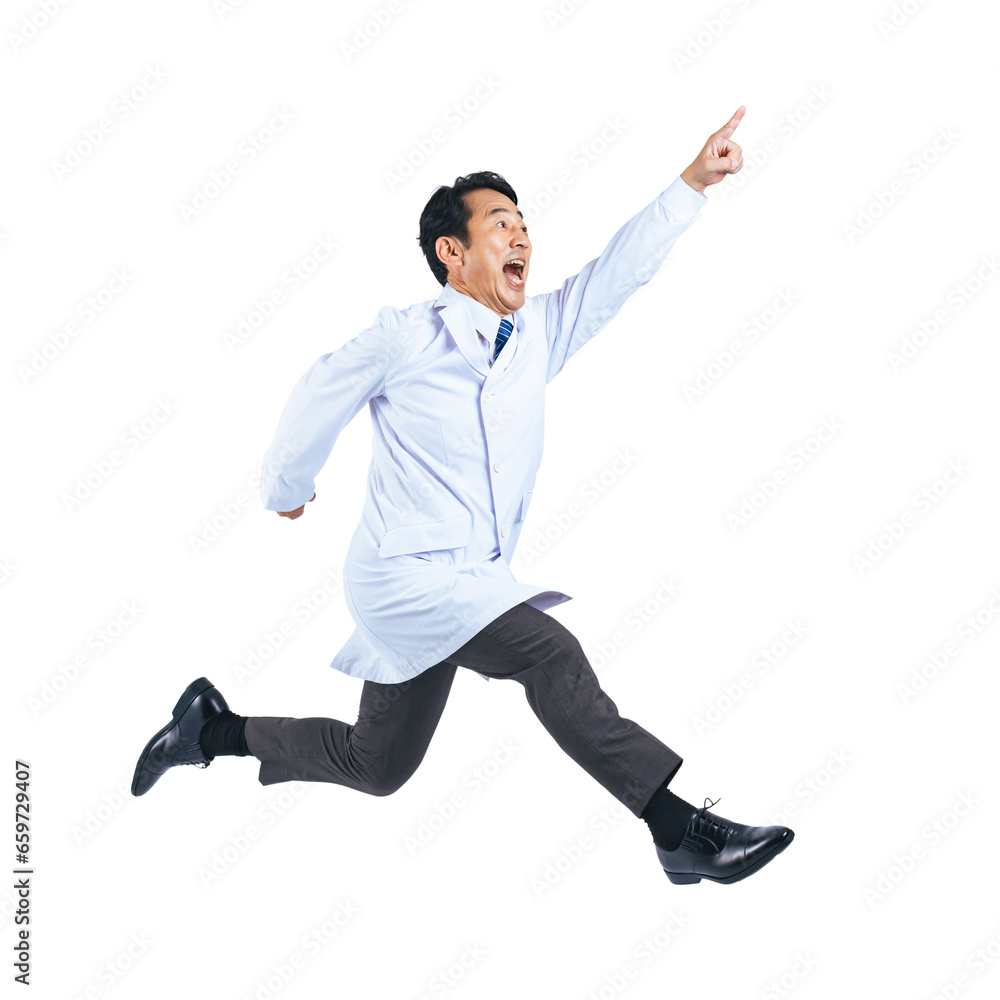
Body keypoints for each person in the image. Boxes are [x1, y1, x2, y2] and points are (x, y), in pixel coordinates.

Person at [132, 105, 794, 886]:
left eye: (525, 225)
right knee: (550, 655)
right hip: (402, 579)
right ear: (452, 252)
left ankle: (210, 730)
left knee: (377, 764)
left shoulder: (536, 336)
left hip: (470, 580)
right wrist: (288, 487)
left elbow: (617, 273)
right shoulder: (407, 335)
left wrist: (693, 182)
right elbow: (318, 392)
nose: (522, 238)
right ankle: (680, 832)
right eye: (501, 224)